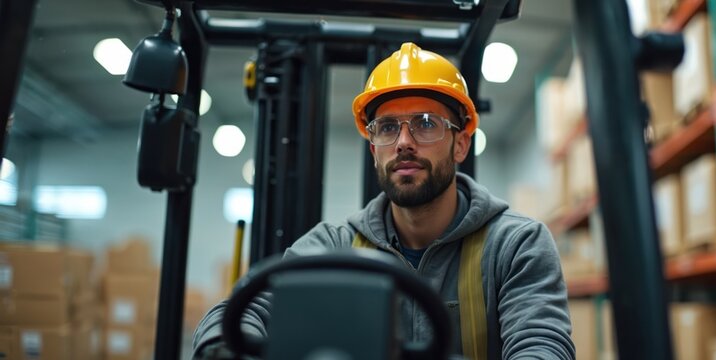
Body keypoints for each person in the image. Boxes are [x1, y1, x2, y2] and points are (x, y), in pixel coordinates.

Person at [193, 42, 575, 359]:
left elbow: (542, 344)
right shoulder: (335, 246)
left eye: (426, 123)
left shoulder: (515, 245)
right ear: (374, 149)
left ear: (460, 144)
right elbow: (241, 311)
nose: (404, 142)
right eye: (388, 127)